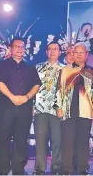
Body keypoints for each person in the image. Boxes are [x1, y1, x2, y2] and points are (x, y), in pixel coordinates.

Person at [0, 37, 41, 175]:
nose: (20, 49)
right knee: (2, 138)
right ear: (11, 48)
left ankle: (19, 168)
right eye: (17, 46)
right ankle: (2, 168)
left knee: (21, 138)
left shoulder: (30, 66)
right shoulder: (2, 65)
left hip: (24, 108)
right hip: (5, 108)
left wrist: (26, 97)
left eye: (22, 47)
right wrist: (12, 97)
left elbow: (37, 84)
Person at [55, 43, 93, 175]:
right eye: (77, 52)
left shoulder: (91, 71)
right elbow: (58, 90)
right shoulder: (65, 70)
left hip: (85, 110)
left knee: (83, 141)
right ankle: (67, 169)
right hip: (68, 110)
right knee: (67, 141)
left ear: (86, 55)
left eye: (82, 52)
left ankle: (82, 168)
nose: (79, 54)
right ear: (72, 54)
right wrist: (58, 107)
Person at [32, 41, 65, 175]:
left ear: (59, 52)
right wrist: (32, 105)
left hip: (57, 110)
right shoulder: (37, 68)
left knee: (57, 139)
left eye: (55, 49)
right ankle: (40, 168)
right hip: (40, 109)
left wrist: (61, 107)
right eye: (50, 49)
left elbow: (66, 91)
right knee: (40, 139)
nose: (52, 51)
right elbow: (32, 87)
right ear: (46, 52)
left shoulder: (65, 69)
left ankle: (56, 167)